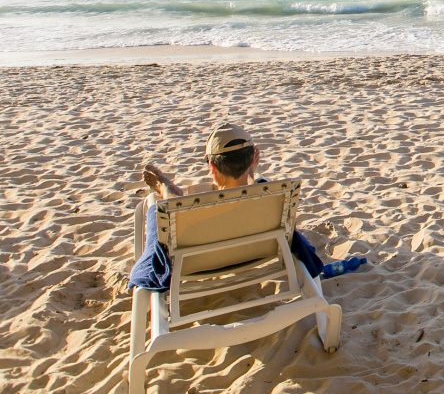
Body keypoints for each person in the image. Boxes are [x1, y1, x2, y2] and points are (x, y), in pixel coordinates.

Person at [129, 122, 324, 291]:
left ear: (212, 167)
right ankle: (245, 178)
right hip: (257, 254)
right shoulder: (274, 200)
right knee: (258, 188)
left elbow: (166, 231)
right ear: (251, 160)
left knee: (158, 211)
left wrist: (165, 188)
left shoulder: (188, 212)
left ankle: (167, 189)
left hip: (193, 266)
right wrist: (252, 177)